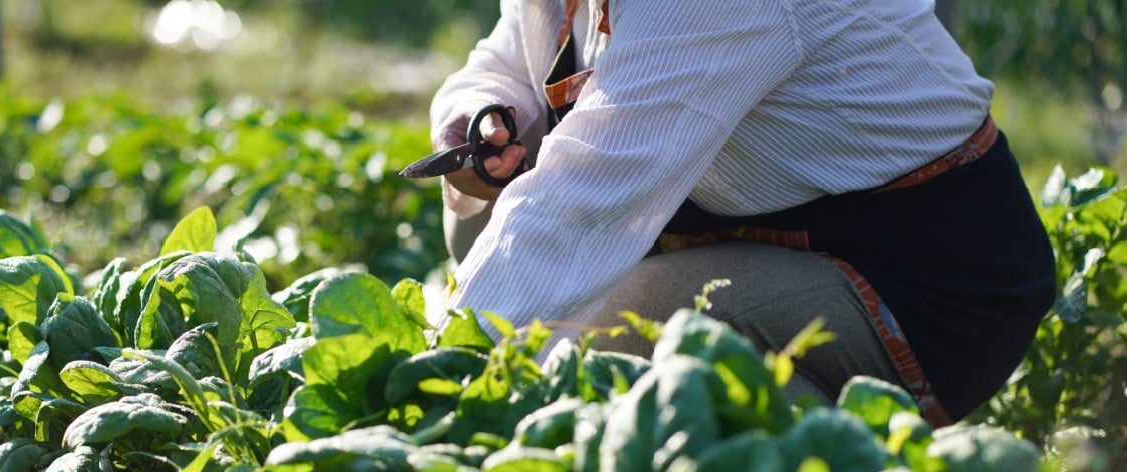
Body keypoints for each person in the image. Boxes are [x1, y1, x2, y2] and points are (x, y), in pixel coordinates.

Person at [424, 0, 1055, 426]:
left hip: (925, 279)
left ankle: (829, 470)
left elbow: (577, 207)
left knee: (620, 326)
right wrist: (483, 107)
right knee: (484, 222)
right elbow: (511, 51)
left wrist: (431, 390)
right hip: (772, 221)